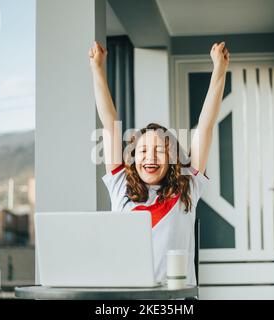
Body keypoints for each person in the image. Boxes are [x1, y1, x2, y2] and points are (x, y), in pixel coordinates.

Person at [89, 41, 230, 286]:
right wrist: (97, 68)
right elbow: (110, 125)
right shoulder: (120, 184)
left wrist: (219, 68)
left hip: (175, 298)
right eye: (142, 150)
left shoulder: (187, 185)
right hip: (126, 296)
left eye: (159, 151)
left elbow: (205, 125)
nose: (150, 157)